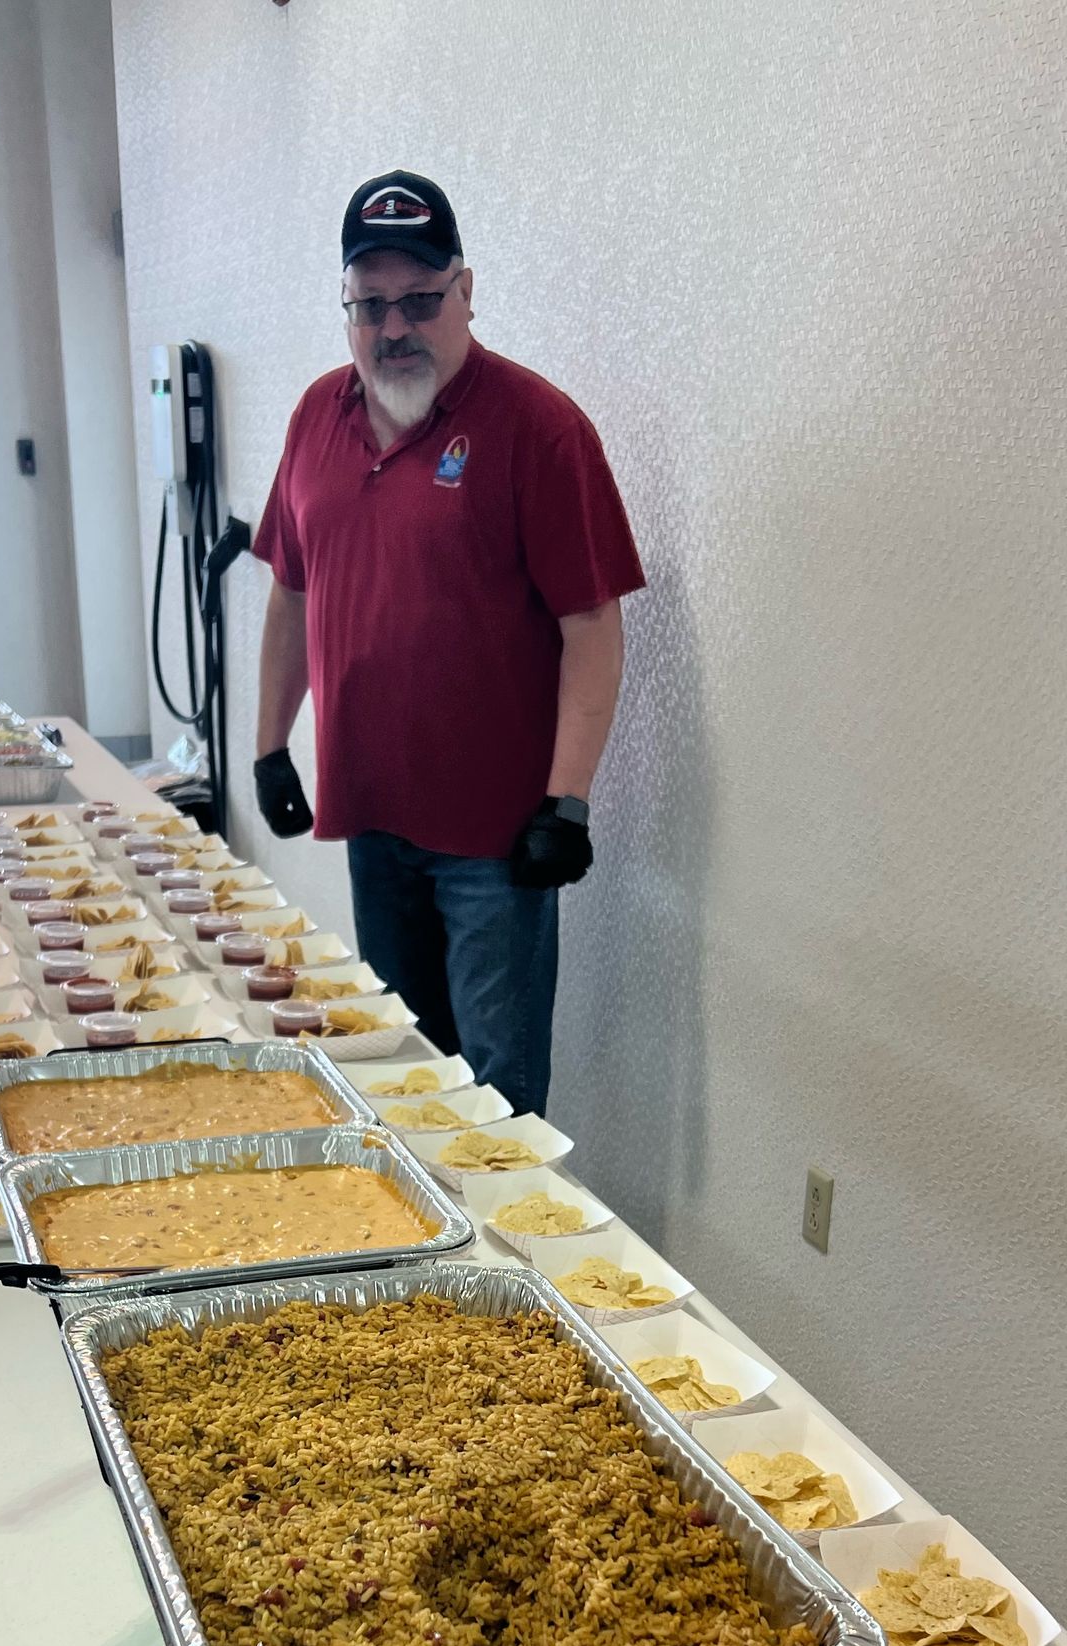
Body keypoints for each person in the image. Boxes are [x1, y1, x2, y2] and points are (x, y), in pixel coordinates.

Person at [251, 171, 644, 1116]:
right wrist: (268, 744)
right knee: (399, 1079)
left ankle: (501, 1264)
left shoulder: (538, 430)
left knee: (496, 1103)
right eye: (372, 305)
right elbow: (292, 589)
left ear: (465, 292)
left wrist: (568, 802)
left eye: (421, 301)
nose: (396, 327)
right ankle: (416, 1268)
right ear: (347, 306)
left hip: (495, 847)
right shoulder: (317, 417)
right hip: (371, 820)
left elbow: (592, 624)